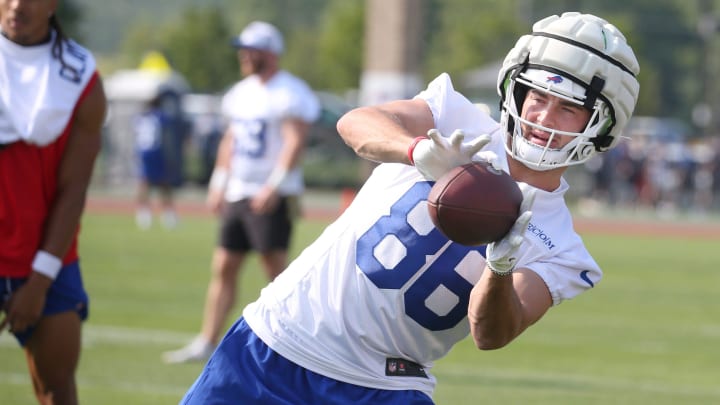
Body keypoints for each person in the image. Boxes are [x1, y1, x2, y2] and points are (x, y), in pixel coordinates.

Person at [180, 12, 640, 404]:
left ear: (601, 124)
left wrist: (499, 268)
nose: (542, 118)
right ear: (515, 89)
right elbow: (356, 123)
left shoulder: (563, 248)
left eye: (567, 108)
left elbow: (493, 334)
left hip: (384, 386)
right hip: (276, 340)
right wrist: (417, 150)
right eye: (538, 96)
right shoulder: (454, 116)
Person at [163, 21, 321, 363]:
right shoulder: (241, 92)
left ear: (268, 53)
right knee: (224, 265)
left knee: (277, 272)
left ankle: (302, 345)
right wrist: (219, 181)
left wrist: (274, 185)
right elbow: (231, 139)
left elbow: (295, 141)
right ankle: (207, 339)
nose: (243, 56)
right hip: (239, 190)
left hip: (270, 194)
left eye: (249, 50)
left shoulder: (290, 91)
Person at [0, 0, 107, 404]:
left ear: (52, 5)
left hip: (49, 259)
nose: (15, 6)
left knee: (57, 390)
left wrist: (39, 282)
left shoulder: (82, 79)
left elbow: (74, 190)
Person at [133, 93, 184, 230]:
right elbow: (167, 126)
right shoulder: (159, 116)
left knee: (144, 182)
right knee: (162, 183)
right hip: (155, 152)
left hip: (143, 153)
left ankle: (144, 214)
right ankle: (167, 214)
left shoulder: (141, 117)